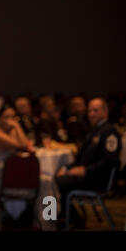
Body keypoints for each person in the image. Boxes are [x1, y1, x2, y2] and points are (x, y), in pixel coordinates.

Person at [55, 97, 122, 228]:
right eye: (90, 110)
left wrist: (86, 170)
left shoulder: (109, 131)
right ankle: (65, 218)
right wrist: (66, 168)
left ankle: (54, 219)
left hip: (96, 178)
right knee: (53, 181)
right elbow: (80, 159)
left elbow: (110, 161)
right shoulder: (95, 130)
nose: (91, 114)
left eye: (96, 110)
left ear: (105, 112)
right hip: (87, 176)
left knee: (52, 185)